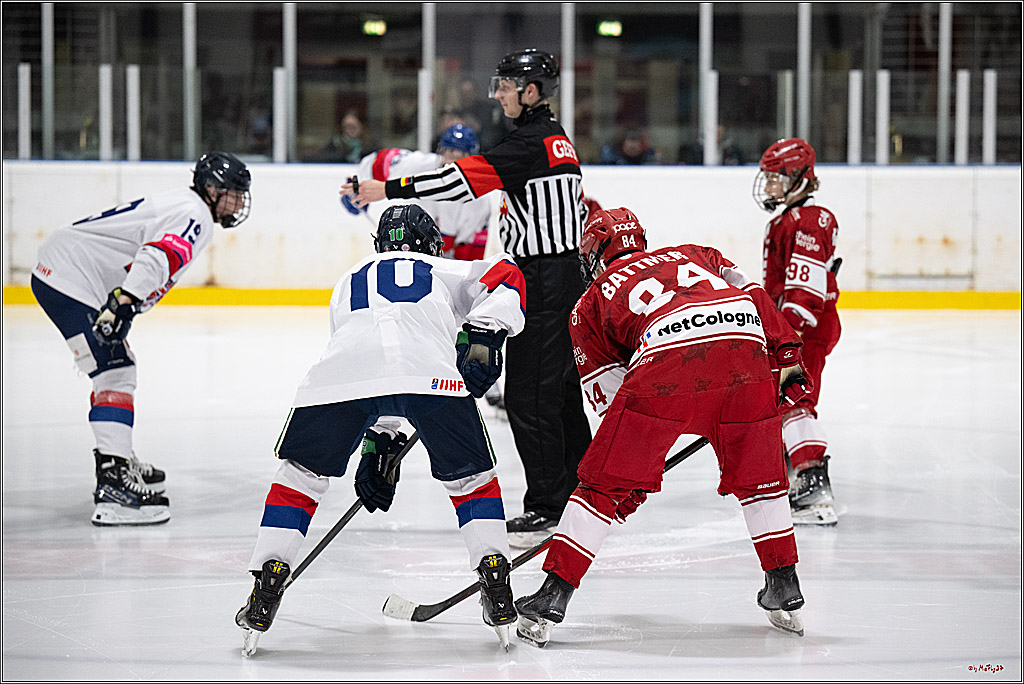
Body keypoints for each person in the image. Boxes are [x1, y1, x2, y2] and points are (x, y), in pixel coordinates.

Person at [513, 207, 813, 648]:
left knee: (598, 486)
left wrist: (625, 478)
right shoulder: (698, 254)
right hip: (745, 352)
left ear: (594, 252)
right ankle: (784, 582)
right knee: (761, 480)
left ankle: (552, 594)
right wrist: (786, 353)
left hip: (666, 368)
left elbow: (611, 402)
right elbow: (753, 294)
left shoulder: (588, 304)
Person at [234, 204, 527, 648]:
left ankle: (268, 578)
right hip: (432, 376)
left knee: (300, 476)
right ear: (428, 241)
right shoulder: (438, 266)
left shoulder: (348, 278)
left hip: (337, 380)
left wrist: (381, 441)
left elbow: (374, 364)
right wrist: (486, 334)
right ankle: (496, 579)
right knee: (472, 481)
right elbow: (509, 274)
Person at [340, 49, 594, 549]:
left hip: (544, 280)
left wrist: (384, 189)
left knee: (529, 397)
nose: (497, 93)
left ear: (533, 91)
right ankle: (582, 494)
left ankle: (548, 507)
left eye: (507, 85)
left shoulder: (532, 143)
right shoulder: (554, 140)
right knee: (561, 393)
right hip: (564, 277)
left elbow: (458, 182)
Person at [30, 151, 252, 526]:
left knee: (115, 369)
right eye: (233, 193)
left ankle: (117, 460)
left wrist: (121, 304)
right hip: (69, 279)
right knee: (115, 372)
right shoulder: (196, 214)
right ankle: (114, 485)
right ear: (212, 189)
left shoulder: (187, 204)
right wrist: (124, 303)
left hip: (69, 274)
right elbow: (157, 256)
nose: (238, 202)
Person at [753, 137, 842, 526]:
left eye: (776, 177)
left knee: (794, 400)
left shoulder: (806, 220)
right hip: (798, 326)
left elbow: (804, 294)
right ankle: (796, 472)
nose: (769, 186)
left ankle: (813, 484)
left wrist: (785, 337)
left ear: (799, 177)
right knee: (784, 400)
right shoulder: (793, 219)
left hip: (804, 329)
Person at [342, 123, 491, 262]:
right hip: (412, 248)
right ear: (441, 150)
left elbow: (469, 258)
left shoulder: (479, 198)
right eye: (451, 151)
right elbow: (378, 161)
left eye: (462, 154)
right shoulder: (419, 165)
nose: (454, 160)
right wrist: (355, 186)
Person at [309, 109, 377, 163]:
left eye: (353, 127)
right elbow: (319, 158)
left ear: (362, 127)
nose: (350, 130)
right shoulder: (335, 145)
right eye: (347, 127)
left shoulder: (370, 146)